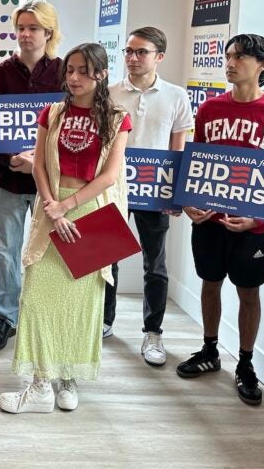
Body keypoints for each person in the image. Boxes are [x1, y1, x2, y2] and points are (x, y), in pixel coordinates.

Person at [0, 43, 131, 413]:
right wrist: (53, 209)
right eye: (69, 70)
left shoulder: (118, 118)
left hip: (91, 212)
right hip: (51, 209)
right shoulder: (52, 113)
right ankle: (40, 384)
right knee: (38, 296)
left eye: (83, 71)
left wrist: (68, 207)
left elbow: (109, 177)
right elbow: (39, 165)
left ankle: (68, 376)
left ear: (101, 75)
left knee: (81, 302)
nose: (73, 78)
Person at [176, 34, 264, 406]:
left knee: (249, 293)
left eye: (240, 57)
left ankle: (245, 363)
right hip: (209, 221)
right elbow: (198, 164)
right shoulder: (209, 108)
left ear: (263, 65)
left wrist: (259, 215)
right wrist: (189, 202)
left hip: (251, 226)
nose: (230, 62)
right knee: (209, 284)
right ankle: (210, 350)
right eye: (227, 56)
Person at [0, 0, 63, 352]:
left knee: (51, 250)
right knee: (8, 249)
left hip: (53, 183)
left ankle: (44, 314)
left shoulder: (63, 73)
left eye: (33, 28)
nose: (25, 35)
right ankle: (6, 317)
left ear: (48, 33)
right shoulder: (0, 74)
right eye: (21, 28)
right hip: (9, 179)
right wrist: (10, 157)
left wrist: (42, 162)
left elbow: (73, 128)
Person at [105, 27, 193, 366]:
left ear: (159, 56)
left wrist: (176, 193)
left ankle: (152, 332)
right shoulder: (111, 93)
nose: (133, 58)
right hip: (115, 188)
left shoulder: (176, 96)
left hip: (156, 191)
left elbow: (178, 145)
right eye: (129, 51)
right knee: (106, 258)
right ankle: (104, 322)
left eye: (141, 52)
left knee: (154, 263)